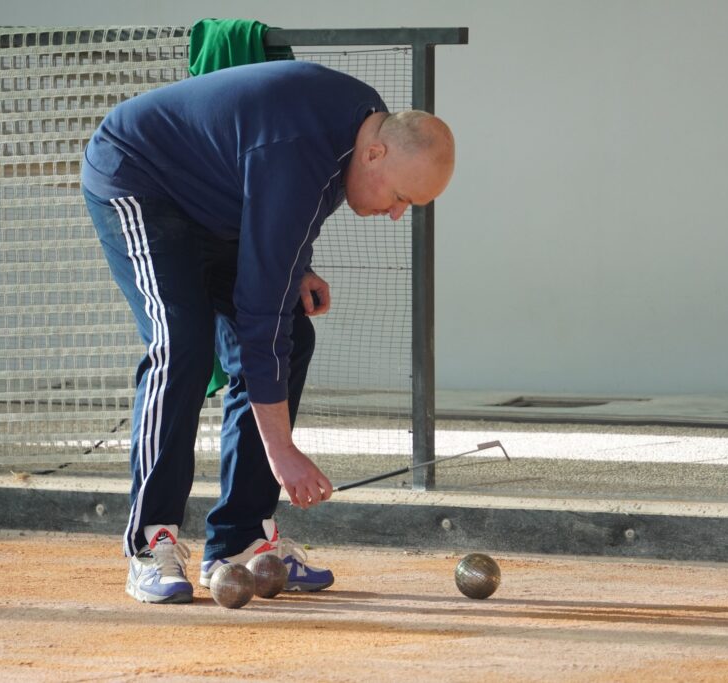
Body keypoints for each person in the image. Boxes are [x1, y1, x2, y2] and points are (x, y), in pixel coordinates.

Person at [81, 60, 455, 604]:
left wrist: (294, 266)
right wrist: (282, 451)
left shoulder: (361, 128)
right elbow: (260, 311)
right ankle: (149, 541)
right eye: (401, 196)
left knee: (294, 335)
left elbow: (282, 209)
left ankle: (239, 541)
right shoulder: (302, 149)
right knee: (181, 343)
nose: (398, 214)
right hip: (139, 177)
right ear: (376, 153)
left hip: (215, 205)